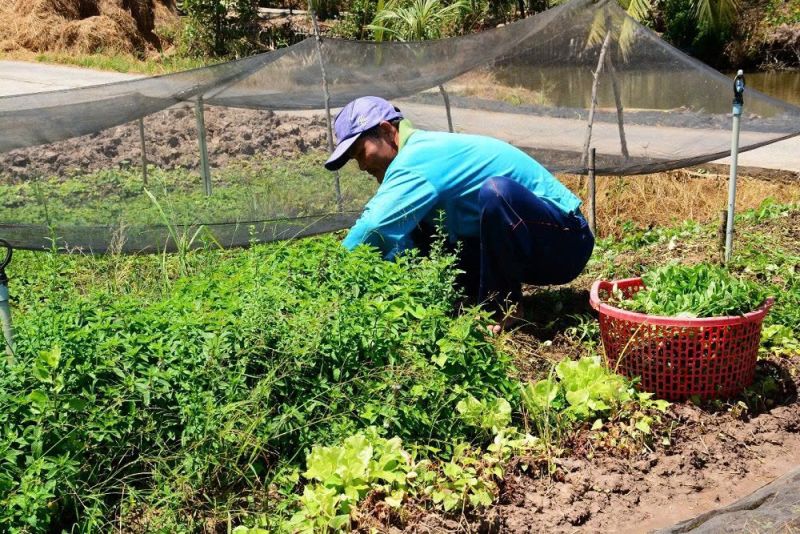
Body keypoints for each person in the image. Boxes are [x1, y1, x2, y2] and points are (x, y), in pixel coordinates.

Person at [324, 96, 594, 331]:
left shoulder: (418, 156)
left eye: (361, 153)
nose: (361, 166)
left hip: (566, 242)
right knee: (419, 226)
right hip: (527, 246)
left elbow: (374, 227)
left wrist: (331, 276)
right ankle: (471, 300)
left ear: (385, 130)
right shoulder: (414, 160)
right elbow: (395, 240)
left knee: (496, 193)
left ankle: (503, 308)